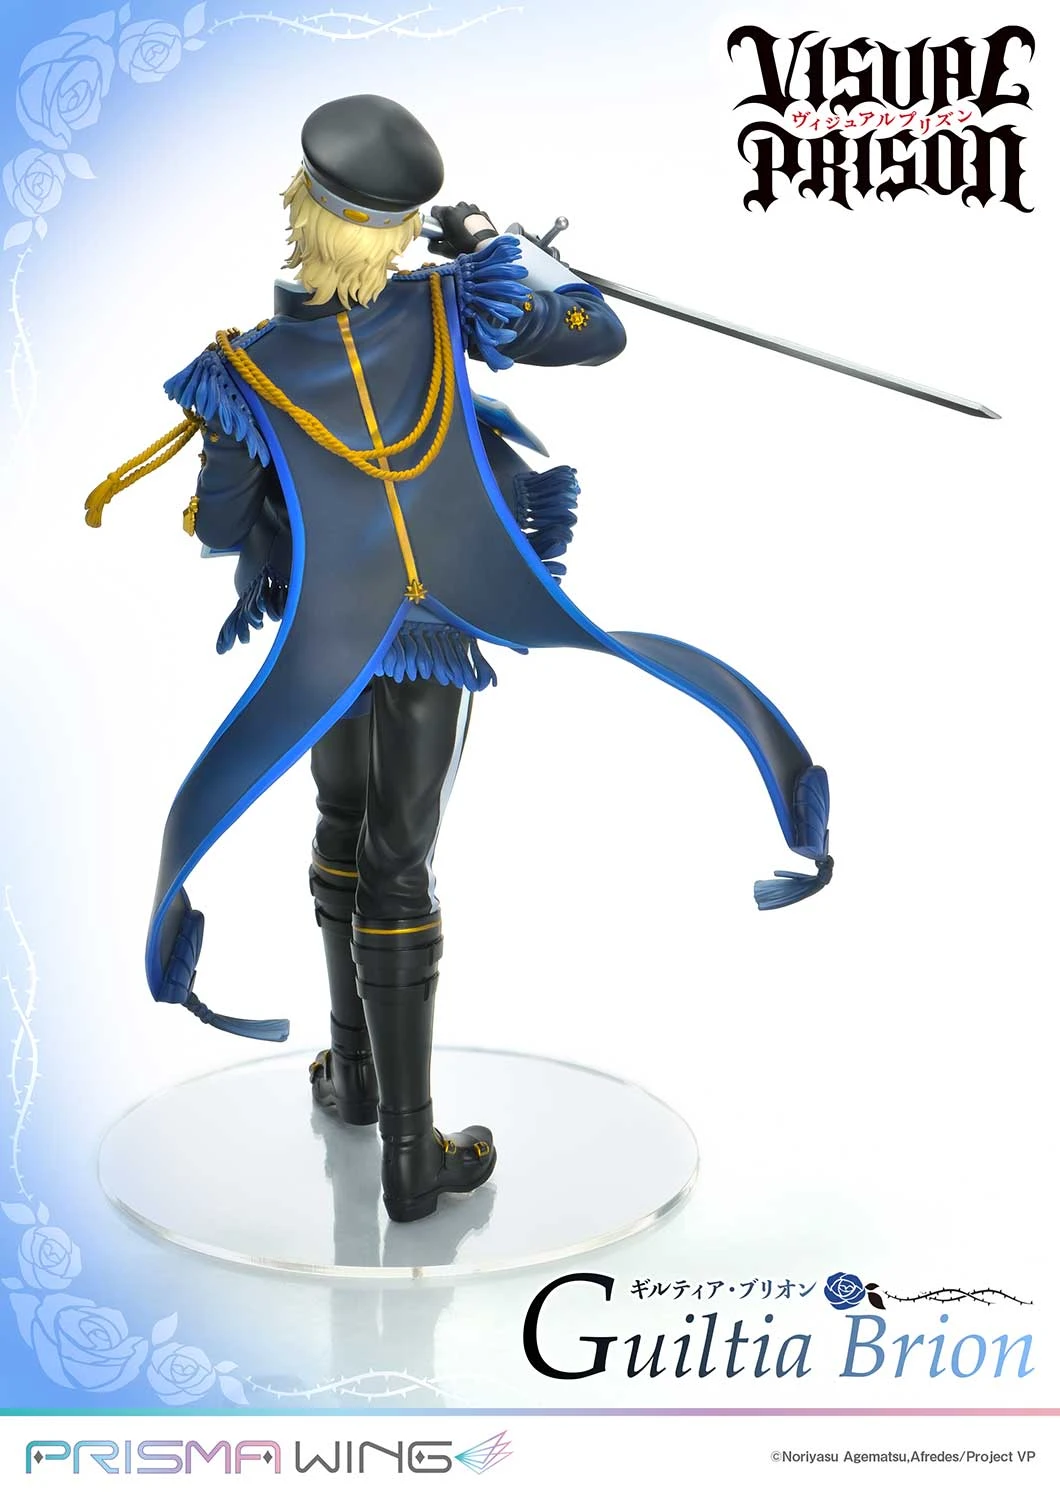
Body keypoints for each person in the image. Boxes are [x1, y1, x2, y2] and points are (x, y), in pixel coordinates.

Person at [86, 95, 832, 1225]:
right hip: (436, 630)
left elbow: (224, 530)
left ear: (299, 209)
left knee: (343, 831)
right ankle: (406, 1153)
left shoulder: (242, 368)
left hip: (323, 641)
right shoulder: (447, 306)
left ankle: (356, 1081)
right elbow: (594, 332)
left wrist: (271, 485)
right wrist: (496, 252)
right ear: (402, 229)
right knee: (397, 862)